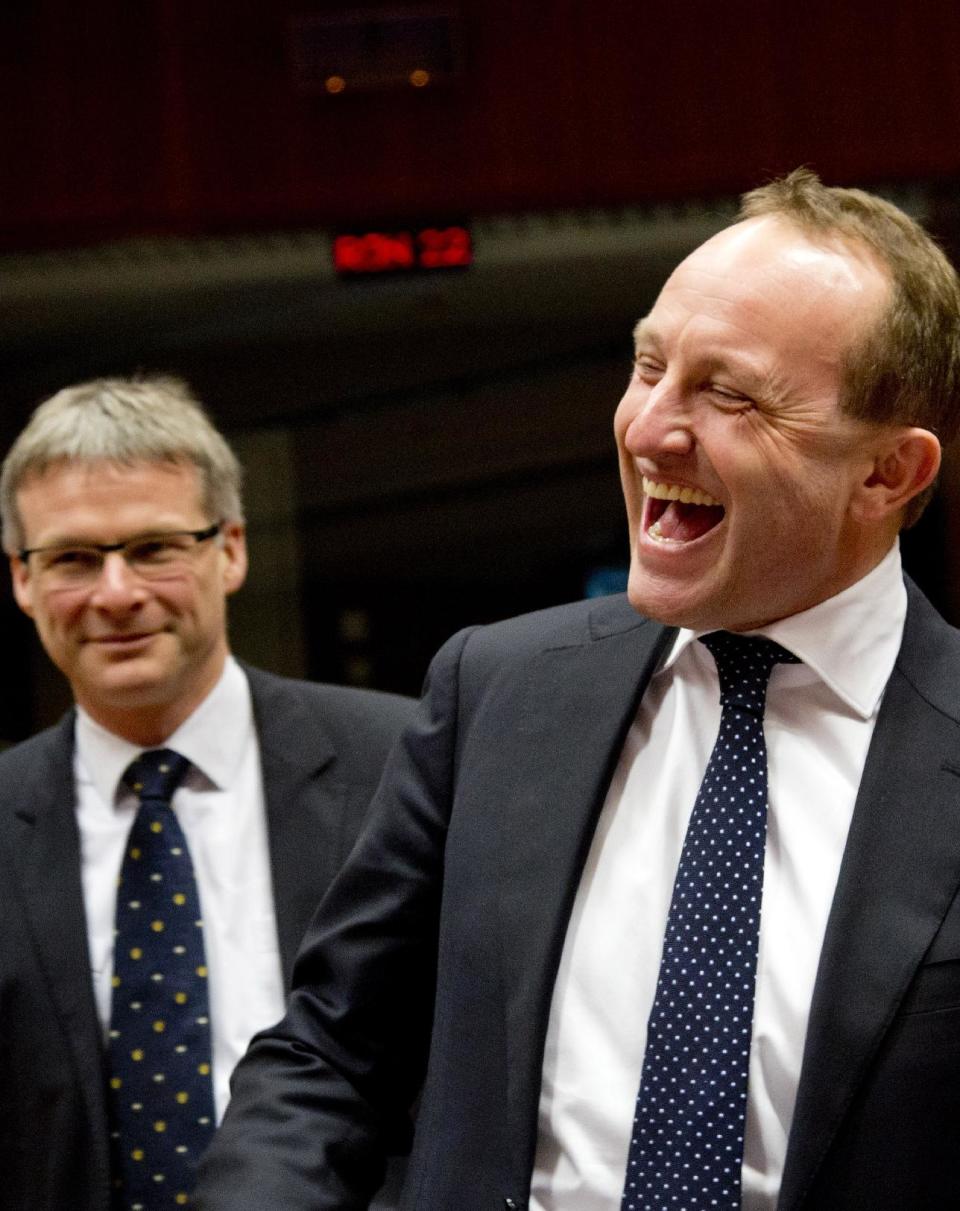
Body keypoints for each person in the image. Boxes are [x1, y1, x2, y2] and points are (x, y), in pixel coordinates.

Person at [196, 169, 960, 1211]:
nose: (649, 430)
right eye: (648, 365)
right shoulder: (497, 689)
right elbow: (331, 1048)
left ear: (889, 473)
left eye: (728, 393)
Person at [0, 376, 414, 1211]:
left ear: (230, 549)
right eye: (74, 558)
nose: (117, 593)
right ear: (22, 579)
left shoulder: (402, 765)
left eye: (155, 547)